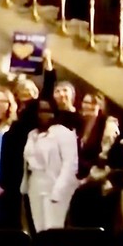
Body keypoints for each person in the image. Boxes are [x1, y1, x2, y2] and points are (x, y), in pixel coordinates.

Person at [21, 99, 78, 233]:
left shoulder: (63, 133)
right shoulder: (32, 134)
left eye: (48, 111)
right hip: (35, 184)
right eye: (41, 111)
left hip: (54, 183)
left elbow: (69, 164)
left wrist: (59, 190)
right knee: (39, 228)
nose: (44, 115)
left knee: (53, 228)